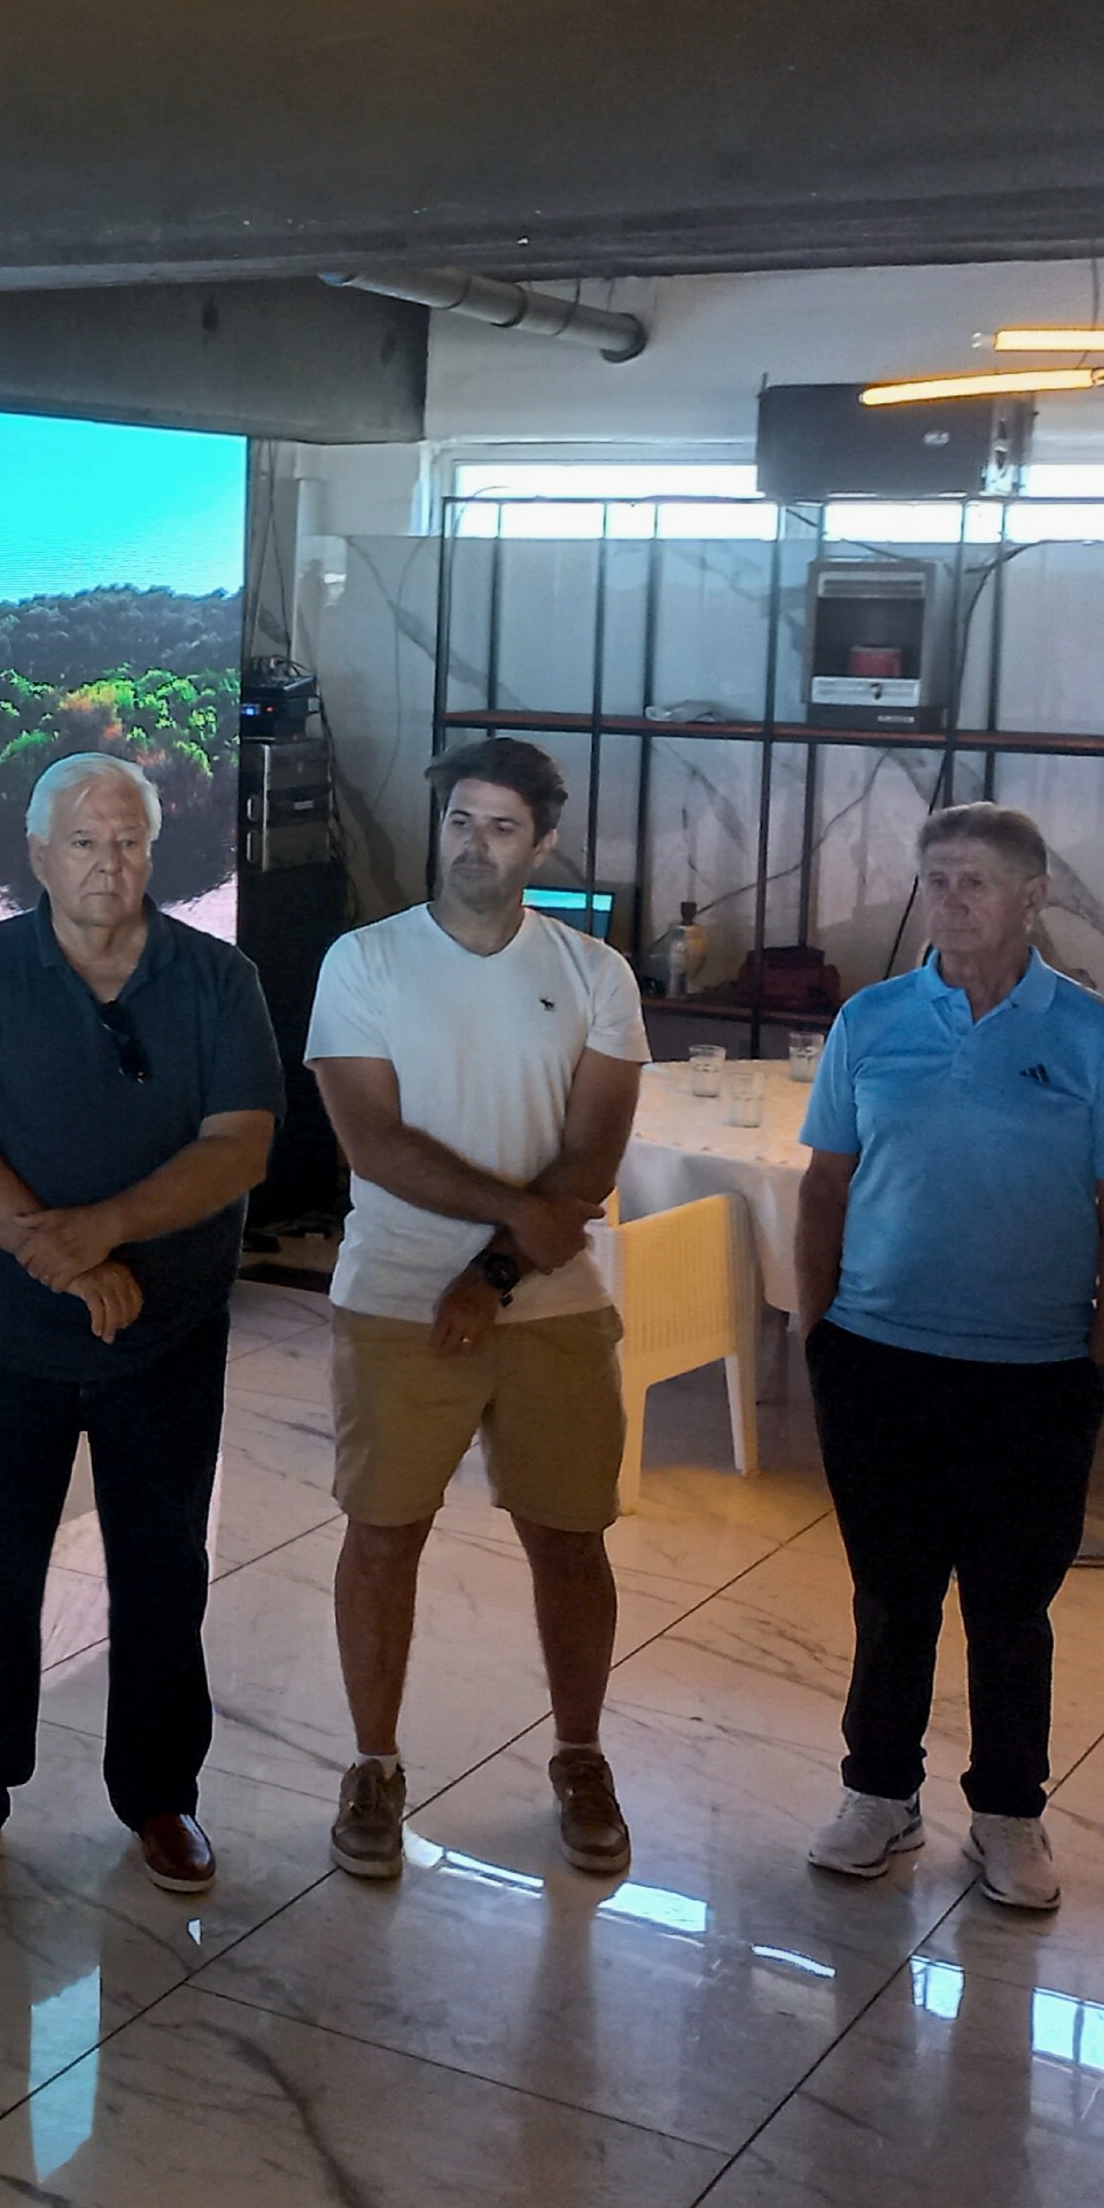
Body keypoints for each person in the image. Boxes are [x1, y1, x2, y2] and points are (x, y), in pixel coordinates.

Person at [0, 753, 280, 1894]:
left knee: (162, 1570)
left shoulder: (217, 981)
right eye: (81, 842)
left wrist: (101, 1232)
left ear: (151, 853)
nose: (105, 864)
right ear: (37, 855)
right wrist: (51, 1253)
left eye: (125, 842)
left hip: (164, 1337)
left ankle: (159, 1794)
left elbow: (239, 1145)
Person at [795, 803, 1104, 1909]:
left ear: (1030, 895)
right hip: (876, 1355)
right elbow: (822, 1186)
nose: (950, 900)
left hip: (1033, 1372)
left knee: (1009, 1602)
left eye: (975, 882)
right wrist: (817, 1331)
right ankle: (877, 1792)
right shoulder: (869, 1020)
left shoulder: (1095, 1037)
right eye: (936, 878)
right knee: (890, 1591)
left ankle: (1008, 1811)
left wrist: (1095, 1364)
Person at [305, 737, 649, 1882]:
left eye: (500, 826)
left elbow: (589, 1151)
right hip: (394, 1298)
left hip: (547, 1310)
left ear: (541, 842)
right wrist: (512, 1225)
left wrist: (491, 1271)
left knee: (568, 1539)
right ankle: (371, 1761)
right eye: (459, 820)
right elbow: (373, 1141)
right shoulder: (362, 960)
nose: (474, 845)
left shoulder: (595, 972)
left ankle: (580, 1752)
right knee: (381, 1535)